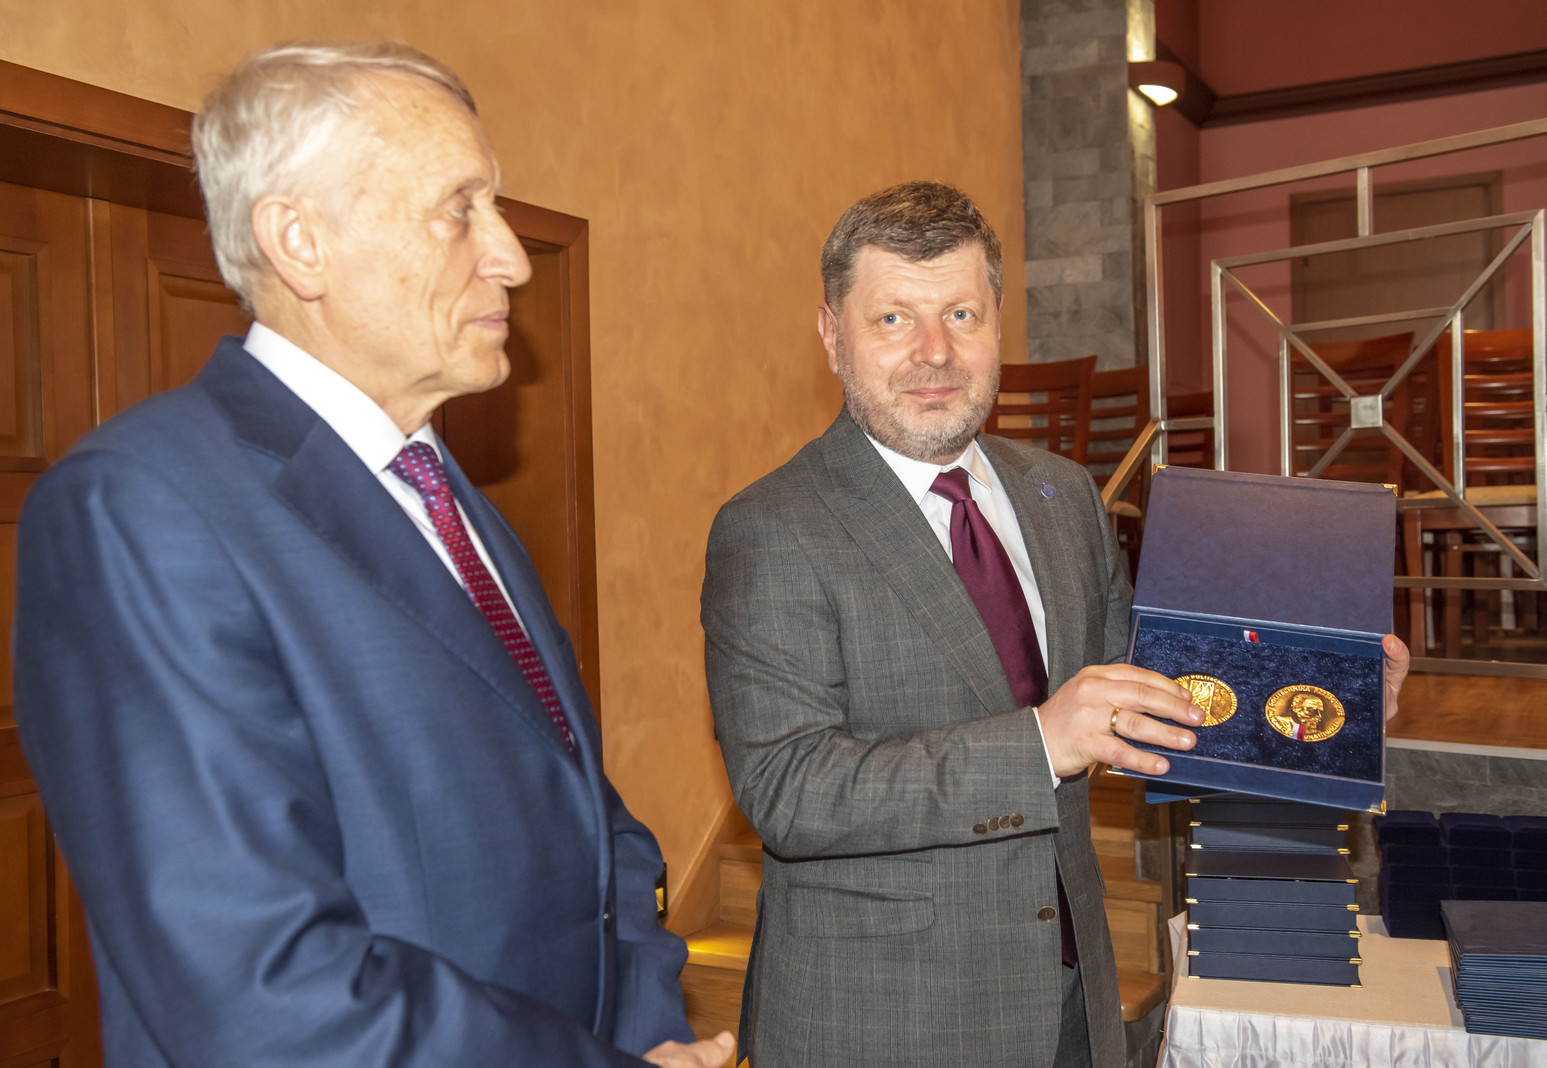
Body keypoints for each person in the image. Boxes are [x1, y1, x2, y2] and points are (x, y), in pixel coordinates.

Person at [14, 42, 732, 1068]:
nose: (513, 258)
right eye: (459, 209)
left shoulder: (448, 497)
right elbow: (263, 996)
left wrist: (647, 1034)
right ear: (300, 242)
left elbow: (588, 821)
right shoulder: (138, 508)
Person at [700, 181, 1410, 1067]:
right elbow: (790, 790)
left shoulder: (1062, 494)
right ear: (831, 335)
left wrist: (1320, 703)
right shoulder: (773, 527)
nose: (934, 352)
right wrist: (1039, 741)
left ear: (999, 323)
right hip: (886, 1022)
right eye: (892, 319)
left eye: (962, 314)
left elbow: (1144, 698)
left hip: (1072, 998)